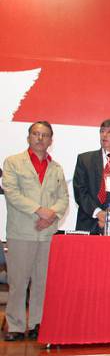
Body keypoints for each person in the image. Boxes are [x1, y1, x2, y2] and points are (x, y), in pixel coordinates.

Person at [2, 121, 69, 341]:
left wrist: (51, 215)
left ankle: (36, 323)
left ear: (51, 140)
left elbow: (63, 199)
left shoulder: (56, 167)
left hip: (47, 233)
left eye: (45, 135)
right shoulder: (13, 162)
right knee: (18, 281)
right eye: (36, 134)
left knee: (42, 281)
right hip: (22, 231)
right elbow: (12, 193)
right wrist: (39, 211)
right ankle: (15, 325)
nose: (40, 138)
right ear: (28, 137)